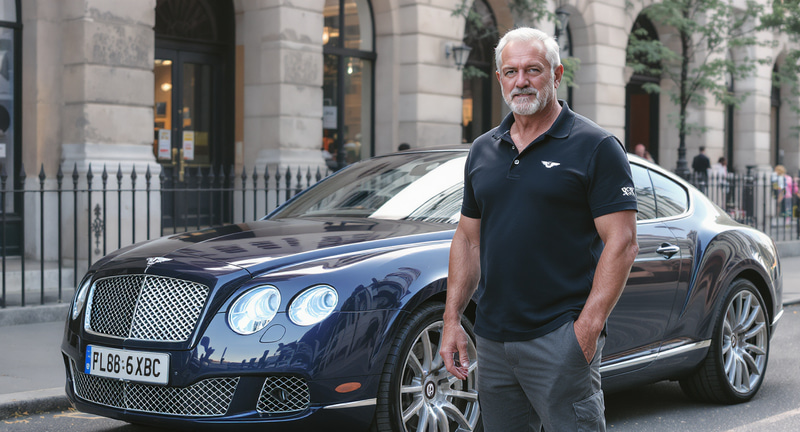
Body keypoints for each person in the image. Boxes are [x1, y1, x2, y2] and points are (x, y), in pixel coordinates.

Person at [440, 27, 639, 432]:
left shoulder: (595, 146)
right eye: (511, 71)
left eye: (533, 69)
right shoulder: (482, 149)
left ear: (556, 74)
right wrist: (451, 320)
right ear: (499, 79)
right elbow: (468, 239)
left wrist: (586, 331)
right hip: (493, 340)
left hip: (560, 336)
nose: (521, 81)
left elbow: (622, 242)